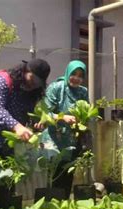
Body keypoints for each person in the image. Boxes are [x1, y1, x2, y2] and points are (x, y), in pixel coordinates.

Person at [41, 60, 89, 197]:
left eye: (80, 75)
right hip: (53, 138)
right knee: (54, 175)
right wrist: (63, 117)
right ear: (68, 73)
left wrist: (82, 119)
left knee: (67, 174)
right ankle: (51, 207)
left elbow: (87, 112)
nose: (76, 78)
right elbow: (45, 113)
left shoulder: (82, 92)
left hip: (71, 139)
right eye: (73, 74)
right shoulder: (56, 88)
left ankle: (63, 207)